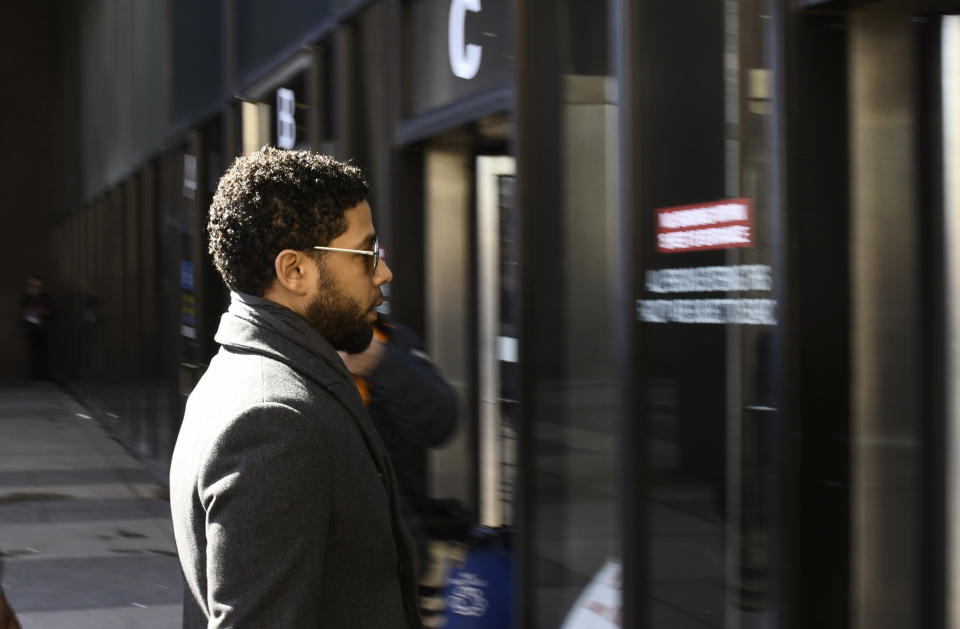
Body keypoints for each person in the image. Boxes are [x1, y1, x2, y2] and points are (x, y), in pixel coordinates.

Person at [169, 147, 421, 628]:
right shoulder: (272, 420)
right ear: (295, 271)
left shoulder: (241, 377)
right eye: (368, 254)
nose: (383, 273)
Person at [339, 313, 459, 575]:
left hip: (399, 558)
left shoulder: (387, 335)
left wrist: (380, 361)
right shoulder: (287, 344)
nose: (382, 275)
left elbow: (441, 422)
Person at [21, 276, 53, 380]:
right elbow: (23, 310)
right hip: (31, 329)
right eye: (32, 285)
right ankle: (34, 375)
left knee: (43, 352)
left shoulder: (45, 298)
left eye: (37, 286)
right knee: (33, 352)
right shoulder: (27, 297)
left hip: (43, 329)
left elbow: (50, 312)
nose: (34, 288)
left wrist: (41, 312)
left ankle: (43, 375)